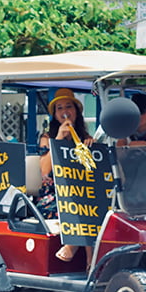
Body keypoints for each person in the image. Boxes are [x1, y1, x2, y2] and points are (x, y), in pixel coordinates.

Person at [36, 88, 93, 261]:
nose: (64, 111)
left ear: (76, 111)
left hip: (81, 190)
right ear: (55, 114)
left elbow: (93, 170)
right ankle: (74, 248)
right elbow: (44, 170)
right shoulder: (47, 138)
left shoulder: (84, 138)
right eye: (59, 108)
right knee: (82, 203)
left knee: (93, 202)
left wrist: (92, 147)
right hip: (55, 195)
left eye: (69, 106)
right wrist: (59, 138)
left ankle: (89, 261)